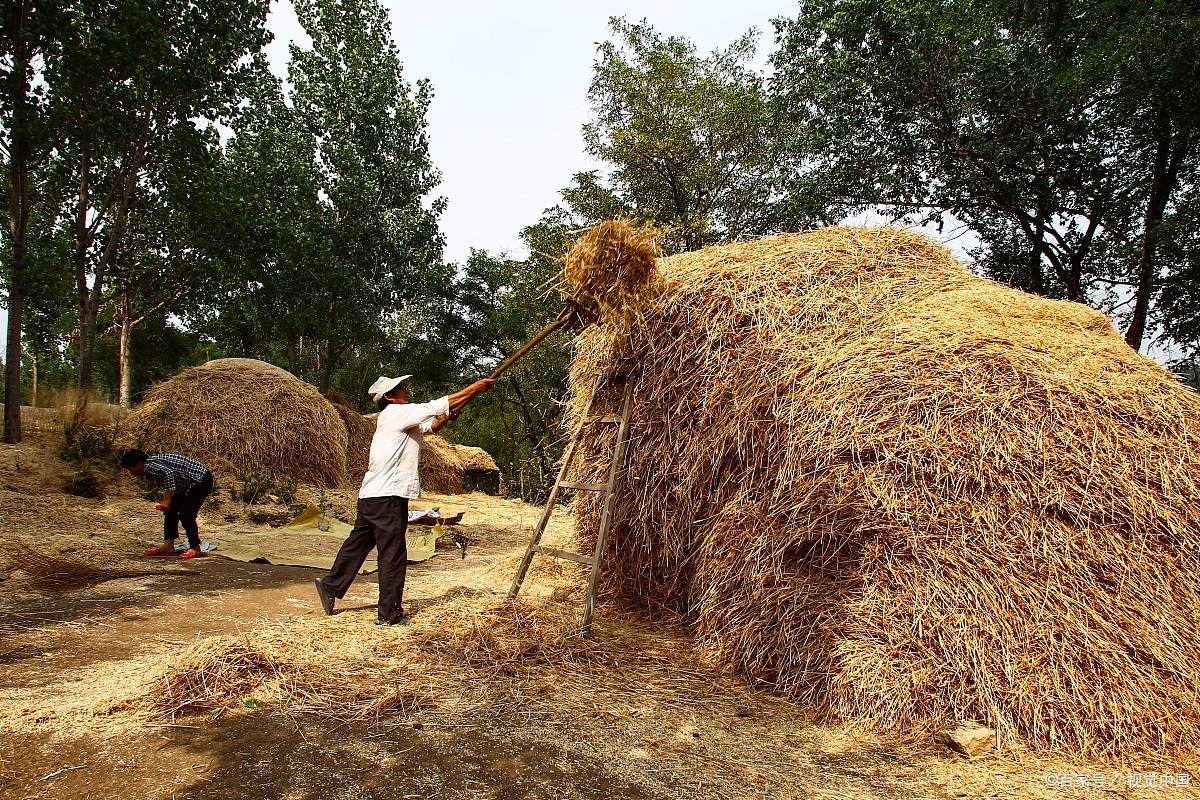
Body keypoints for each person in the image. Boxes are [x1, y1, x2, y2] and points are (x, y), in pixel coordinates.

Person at [314, 374, 494, 625]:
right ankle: (389, 614)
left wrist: (462, 403)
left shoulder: (396, 419)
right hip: (388, 495)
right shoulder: (397, 413)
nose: (405, 390)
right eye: (400, 388)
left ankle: (331, 586)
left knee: (357, 545)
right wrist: (474, 388)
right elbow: (436, 406)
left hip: (372, 496)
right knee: (393, 554)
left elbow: (432, 426)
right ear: (390, 396)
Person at [119, 449, 215, 560]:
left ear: (139, 463)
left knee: (186, 515)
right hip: (186, 484)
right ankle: (168, 546)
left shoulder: (149, 466)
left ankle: (195, 547)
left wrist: (167, 499)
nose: (131, 473)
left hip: (200, 480)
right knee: (170, 511)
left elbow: (168, 474)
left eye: (131, 469)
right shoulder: (152, 463)